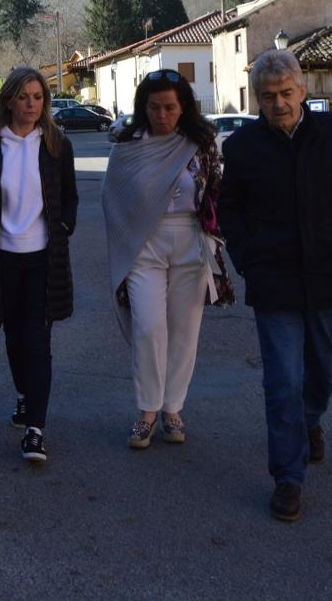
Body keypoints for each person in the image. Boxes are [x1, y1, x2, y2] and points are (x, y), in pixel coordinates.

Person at [217, 50, 332, 522]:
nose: (278, 103)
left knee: (325, 370)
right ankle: (288, 476)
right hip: (274, 279)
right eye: (268, 96)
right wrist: (247, 258)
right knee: (283, 380)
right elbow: (230, 209)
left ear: (302, 89)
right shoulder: (241, 148)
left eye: (286, 93)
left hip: (328, 274)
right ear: (257, 99)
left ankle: (310, 422)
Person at [0, 67, 77, 465]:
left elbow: (70, 199)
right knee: (11, 337)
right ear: (9, 100)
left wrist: (63, 227)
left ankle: (35, 430)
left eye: (38, 97)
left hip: (43, 258)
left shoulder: (57, 144)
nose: (32, 104)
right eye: (24, 96)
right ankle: (26, 396)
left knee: (37, 341)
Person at [102, 69, 223, 450]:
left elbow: (217, 191)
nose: (162, 115)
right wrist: (124, 237)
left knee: (185, 330)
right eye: (154, 107)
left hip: (189, 240)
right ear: (144, 107)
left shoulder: (201, 143)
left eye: (170, 107)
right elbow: (112, 194)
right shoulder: (128, 141)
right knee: (148, 326)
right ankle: (147, 410)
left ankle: (172, 409)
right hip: (144, 244)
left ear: (183, 106)